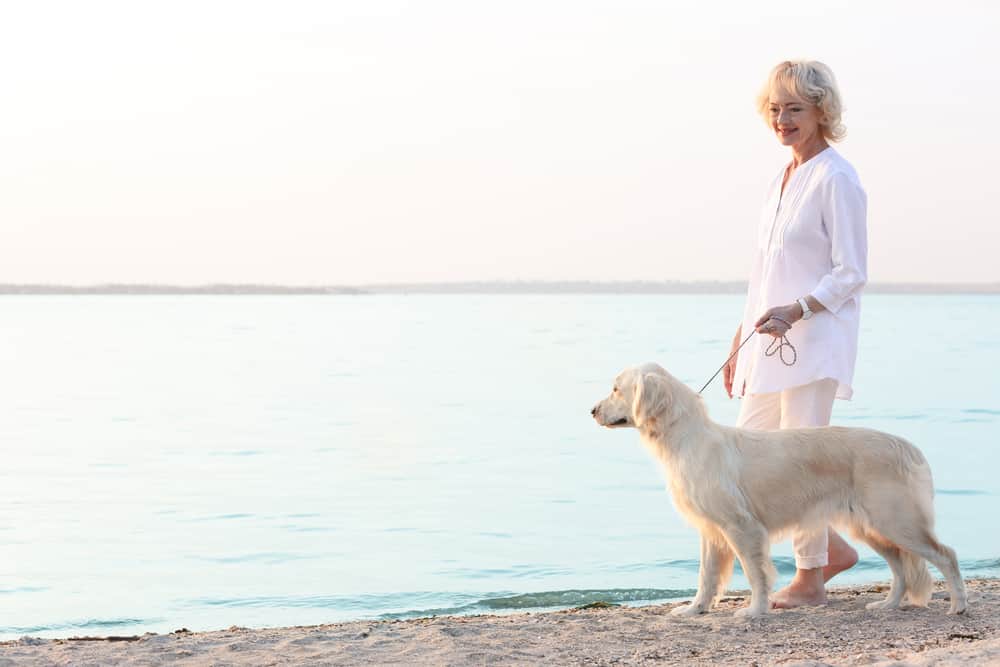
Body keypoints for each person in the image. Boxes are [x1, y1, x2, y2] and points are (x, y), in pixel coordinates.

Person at [723, 60, 868, 609]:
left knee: (800, 461)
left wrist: (800, 308)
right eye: (775, 109)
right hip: (767, 342)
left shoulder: (837, 178)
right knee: (746, 459)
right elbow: (764, 275)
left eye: (795, 109)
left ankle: (810, 577)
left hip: (814, 341)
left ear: (821, 111)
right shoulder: (781, 178)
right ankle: (831, 547)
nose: (782, 119)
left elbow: (851, 272)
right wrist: (739, 339)